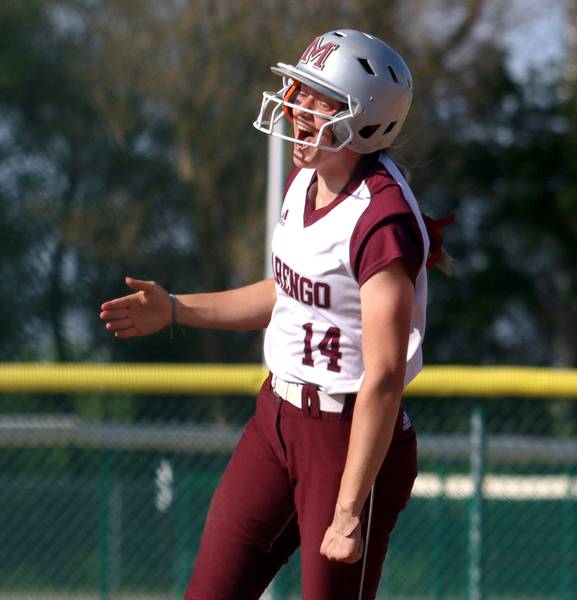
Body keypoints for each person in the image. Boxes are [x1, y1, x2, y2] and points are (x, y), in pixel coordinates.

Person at [99, 29, 450, 599]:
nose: (297, 105)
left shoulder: (379, 219)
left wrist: (348, 507)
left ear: (367, 120)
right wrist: (177, 309)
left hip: (347, 438)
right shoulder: (307, 180)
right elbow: (287, 294)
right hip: (276, 420)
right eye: (300, 90)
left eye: (320, 98)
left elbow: (383, 376)